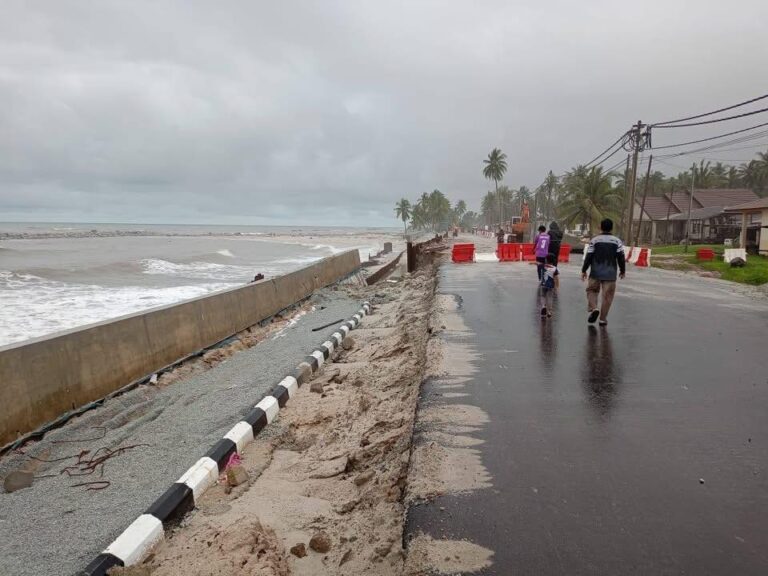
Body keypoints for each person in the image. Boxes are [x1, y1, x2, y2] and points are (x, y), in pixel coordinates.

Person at [581, 218, 626, 326]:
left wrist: (584, 270)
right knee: (607, 297)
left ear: (601, 227)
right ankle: (602, 319)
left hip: (595, 273)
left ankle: (595, 308)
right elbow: (621, 257)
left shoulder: (595, 240)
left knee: (591, 291)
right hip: (610, 274)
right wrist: (622, 270)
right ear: (612, 228)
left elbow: (589, 256)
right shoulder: (617, 241)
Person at [539, 253, 559, 318]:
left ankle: (543, 306)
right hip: (551, 286)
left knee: (543, 296)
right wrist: (557, 287)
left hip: (543, 284)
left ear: (546, 260)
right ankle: (549, 312)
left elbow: (538, 264)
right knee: (550, 298)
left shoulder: (543, 266)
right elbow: (556, 278)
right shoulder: (555, 269)